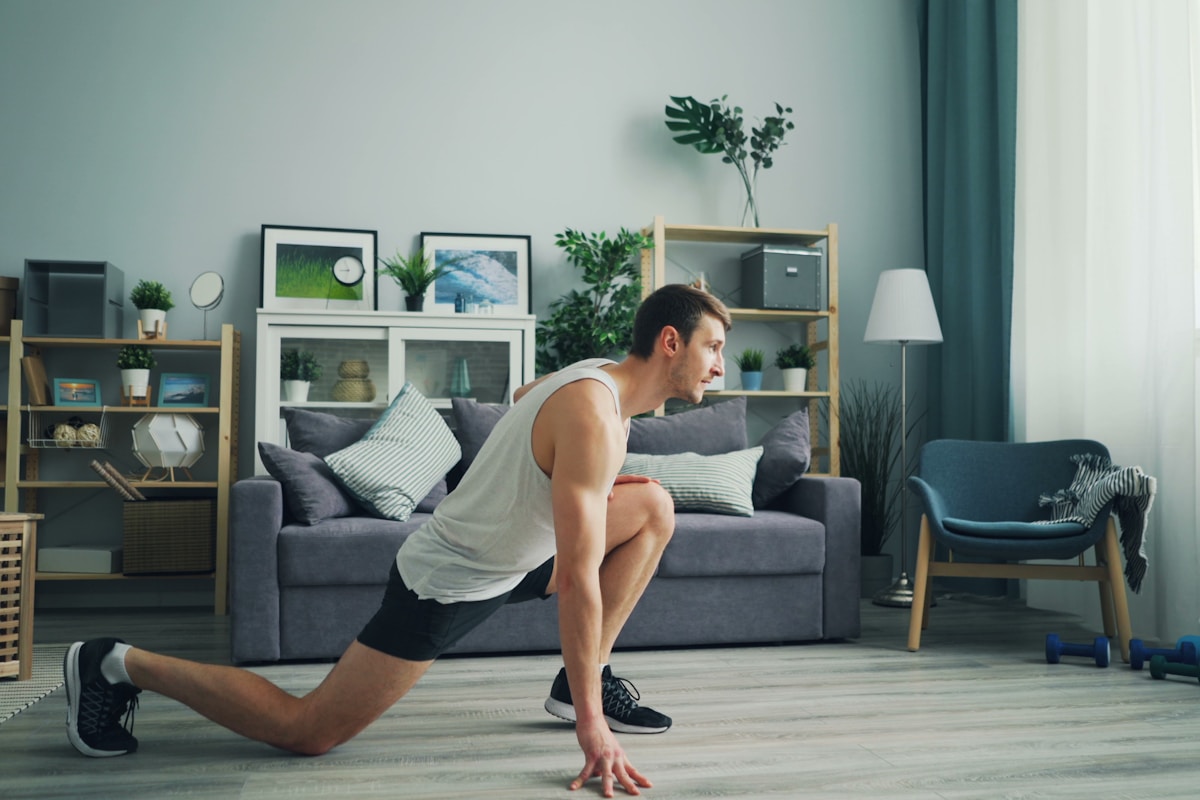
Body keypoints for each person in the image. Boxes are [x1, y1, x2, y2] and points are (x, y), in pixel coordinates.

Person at [64, 283, 730, 797]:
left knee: (652, 505)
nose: (721, 368)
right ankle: (113, 661)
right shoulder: (594, 415)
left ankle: (572, 683)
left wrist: (590, 475)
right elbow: (580, 582)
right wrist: (592, 725)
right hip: (451, 579)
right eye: (714, 348)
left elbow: (527, 394)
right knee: (309, 731)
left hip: (515, 557)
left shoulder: (595, 379)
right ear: (670, 342)